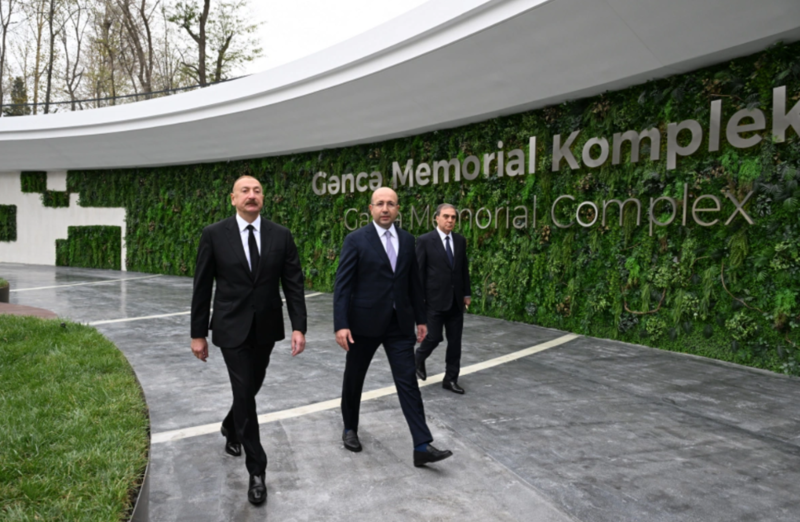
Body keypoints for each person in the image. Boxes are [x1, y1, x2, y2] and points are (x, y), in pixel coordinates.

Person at [190, 175, 307, 506]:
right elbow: (202, 286)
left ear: (263, 198)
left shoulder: (281, 235)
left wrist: (299, 327)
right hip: (230, 327)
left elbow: (293, 282)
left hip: (266, 327)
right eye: (245, 191)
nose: (251, 195)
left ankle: (231, 425)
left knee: (251, 386)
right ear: (233, 199)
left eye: (257, 191)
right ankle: (257, 470)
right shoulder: (214, 234)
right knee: (244, 391)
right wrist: (197, 333)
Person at [333, 187, 453, 467]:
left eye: (390, 204)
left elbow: (413, 282)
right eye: (380, 204)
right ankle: (350, 427)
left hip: (399, 325)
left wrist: (421, 319)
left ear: (398, 209)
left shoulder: (408, 240)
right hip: (363, 324)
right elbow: (343, 285)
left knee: (408, 382)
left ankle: (421, 445)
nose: (385, 208)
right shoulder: (355, 240)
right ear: (371, 208)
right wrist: (341, 324)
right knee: (354, 378)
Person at [415, 203, 472, 394]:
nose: (450, 220)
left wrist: (466, 293)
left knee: (455, 343)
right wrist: (419, 300)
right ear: (437, 218)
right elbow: (419, 272)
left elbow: (463, 269)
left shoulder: (460, 240)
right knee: (434, 336)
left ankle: (450, 379)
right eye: (446, 216)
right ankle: (418, 358)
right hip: (433, 300)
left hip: (456, 301)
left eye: (453, 217)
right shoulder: (425, 240)